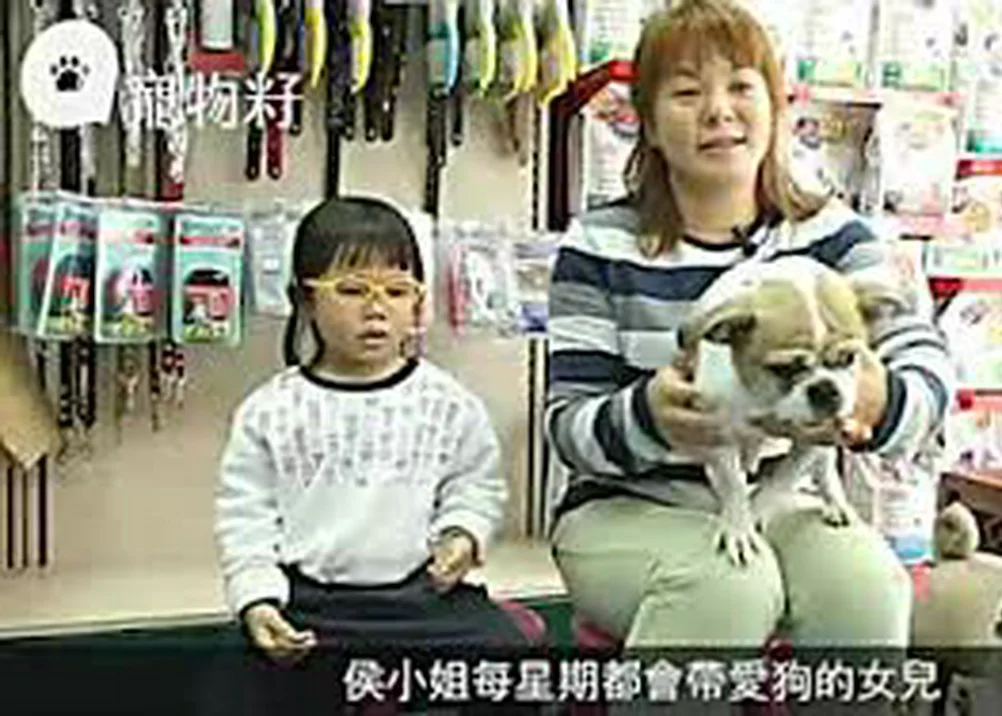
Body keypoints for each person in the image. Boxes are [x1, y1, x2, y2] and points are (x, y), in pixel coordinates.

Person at [546, 0, 956, 654]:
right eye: (687, 93)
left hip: (781, 496)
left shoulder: (836, 237)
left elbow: (929, 369)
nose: (718, 111)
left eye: (741, 86)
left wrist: (878, 401)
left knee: (869, 586)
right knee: (726, 585)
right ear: (647, 123)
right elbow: (567, 426)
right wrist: (650, 416)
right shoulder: (599, 244)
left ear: (777, 105)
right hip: (624, 507)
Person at [213, 197, 532, 714]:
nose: (377, 309)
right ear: (304, 299)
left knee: (511, 661)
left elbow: (475, 484)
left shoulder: (447, 403)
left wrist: (463, 534)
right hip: (309, 603)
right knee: (233, 686)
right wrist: (257, 601)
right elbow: (245, 519)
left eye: (398, 291)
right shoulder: (270, 410)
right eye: (353, 290)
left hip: (420, 600)